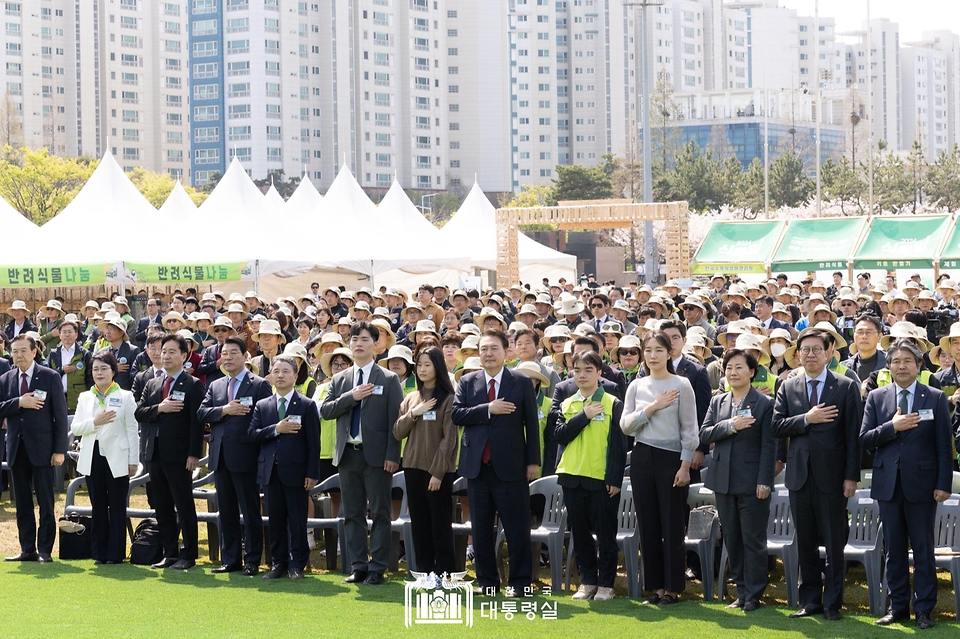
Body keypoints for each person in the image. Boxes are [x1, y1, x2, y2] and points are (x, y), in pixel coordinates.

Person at [859, 339, 954, 630]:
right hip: (888, 485)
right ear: (889, 366)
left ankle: (924, 609)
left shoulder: (935, 397)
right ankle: (897, 606)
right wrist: (892, 427)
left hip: (924, 486)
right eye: (896, 361)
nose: (902, 366)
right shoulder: (877, 397)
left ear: (918, 365)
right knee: (894, 549)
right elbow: (864, 439)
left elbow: (943, 446)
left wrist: (943, 484)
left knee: (924, 549)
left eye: (907, 361)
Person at [771, 329, 861, 621]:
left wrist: (851, 477)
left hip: (833, 478)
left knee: (835, 543)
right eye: (805, 350)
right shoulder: (788, 386)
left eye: (816, 350)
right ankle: (810, 601)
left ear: (829, 353)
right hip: (798, 477)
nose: (810, 354)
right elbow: (777, 426)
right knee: (805, 542)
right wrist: (806, 420)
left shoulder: (846, 386)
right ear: (797, 355)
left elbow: (853, 437)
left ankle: (833, 603)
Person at [452, 330, 540, 597]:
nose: (488, 353)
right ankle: (488, 583)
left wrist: (533, 462)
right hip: (477, 467)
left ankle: (520, 583)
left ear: (506, 351)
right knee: (480, 530)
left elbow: (531, 425)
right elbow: (457, 414)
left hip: (512, 467)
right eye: (483, 349)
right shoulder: (468, 382)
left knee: (516, 529)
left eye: (493, 348)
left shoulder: (521, 381)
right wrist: (487, 409)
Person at [320, 321, 403, 586]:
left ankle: (378, 567)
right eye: (354, 338)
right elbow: (327, 411)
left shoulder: (388, 379)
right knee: (352, 513)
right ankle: (358, 566)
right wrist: (351, 397)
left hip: (377, 457)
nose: (358, 343)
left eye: (365, 339)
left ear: (376, 344)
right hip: (347, 455)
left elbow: (396, 422)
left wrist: (393, 455)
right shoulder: (340, 379)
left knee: (380, 512)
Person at [620, 330, 699, 606]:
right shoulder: (636, 386)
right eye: (648, 350)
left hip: (672, 459)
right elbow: (626, 425)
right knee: (648, 524)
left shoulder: (682, 384)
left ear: (670, 353)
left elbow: (690, 430)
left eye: (659, 350)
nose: (653, 356)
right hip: (642, 457)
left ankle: (673, 588)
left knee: (672, 525)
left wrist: (685, 465)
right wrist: (652, 408)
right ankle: (655, 587)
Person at [699, 349, 776, 612]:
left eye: (739, 367)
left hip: (752, 482)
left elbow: (769, 447)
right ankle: (741, 591)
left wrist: (765, 481)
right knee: (731, 538)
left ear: (752, 372)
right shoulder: (717, 402)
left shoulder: (765, 404)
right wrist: (730, 425)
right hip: (723, 480)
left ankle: (754, 594)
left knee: (752, 539)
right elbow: (705, 433)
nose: (733, 372)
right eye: (729, 368)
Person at [197, 336, 273, 575]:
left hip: (246, 457)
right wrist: (224, 410)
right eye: (224, 353)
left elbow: (265, 420)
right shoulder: (216, 385)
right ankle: (230, 559)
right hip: (219, 457)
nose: (227, 357)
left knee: (250, 512)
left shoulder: (259, 384)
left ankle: (252, 561)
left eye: (233, 353)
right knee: (226, 511)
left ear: (244, 356)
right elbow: (202, 413)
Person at [555, 350, 627, 601]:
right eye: (577, 370)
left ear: (599, 372)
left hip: (601, 478)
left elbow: (619, 446)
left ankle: (606, 583)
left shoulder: (612, 403)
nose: (582, 375)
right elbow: (560, 435)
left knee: (606, 534)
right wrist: (583, 416)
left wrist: (614, 479)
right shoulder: (567, 403)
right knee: (580, 534)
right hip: (571, 475)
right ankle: (588, 582)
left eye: (588, 370)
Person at [134, 334, 205, 570]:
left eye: (172, 351)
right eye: (164, 351)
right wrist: (160, 408)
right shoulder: (152, 383)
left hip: (180, 455)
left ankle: (189, 554)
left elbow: (197, 423)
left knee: (184, 505)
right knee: (161, 507)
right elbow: (140, 412)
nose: (166, 355)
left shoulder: (193, 384)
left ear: (184, 357)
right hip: (154, 454)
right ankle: (169, 552)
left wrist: (194, 453)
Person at [248, 354, 320, 580]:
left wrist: (312, 473)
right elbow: (252, 434)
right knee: (276, 520)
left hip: (297, 473)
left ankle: (297, 564)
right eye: (276, 371)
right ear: (270, 376)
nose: (280, 375)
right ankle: (278, 563)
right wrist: (276, 429)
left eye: (285, 371)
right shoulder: (262, 405)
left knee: (297, 520)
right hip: (270, 472)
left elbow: (313, 443)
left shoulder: (307, 405)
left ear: (295, 376)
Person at [0, 334, 69, 563]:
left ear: (34, 351)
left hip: (44, 450)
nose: (18, 355)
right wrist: (19, 402)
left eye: (23, 350)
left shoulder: (49, 376)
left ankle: (45, 550)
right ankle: (27, 549)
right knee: (22, 504)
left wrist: (60, 450)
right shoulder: (6, 378)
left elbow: (60, 415)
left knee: (46, 503)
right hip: (17, 449)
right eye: (14, 351)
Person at [392, 347, 459, 577]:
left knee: (439, 524)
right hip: (412, 467)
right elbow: (398, 432)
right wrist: (415, 413)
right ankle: (424, 570)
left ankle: (444, 572)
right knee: (419, 523)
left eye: (427, 364)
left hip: (437, 471)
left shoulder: (449, 399)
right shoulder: (411, 398)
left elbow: (448, 440)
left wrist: (438, 473)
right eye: (419, 364)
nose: (422, 369)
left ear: (437, 367)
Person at [71, 350, 139, 564]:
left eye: (104, 368)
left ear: (113, 371)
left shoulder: (125, 396)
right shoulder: (85, 397)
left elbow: (132, 430)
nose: (99, 373)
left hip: (118, 456)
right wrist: (95, 422)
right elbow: (76, 427)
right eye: (95, 369)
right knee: (97, 505)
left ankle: (115, 553)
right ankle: (99, 553)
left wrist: (133, 460)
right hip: (92, 457)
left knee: (117, 506)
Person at [46, 319, 93, 414]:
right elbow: (47, 375)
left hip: (78, 399)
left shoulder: (84, 354)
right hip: (58, 398)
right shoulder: (53, 354)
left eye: (70, 332)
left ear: (76, 335)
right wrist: (62, 370)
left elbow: (90, 377)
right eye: (64, 332)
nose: (67, 335)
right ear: (59, 335)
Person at [99, 313, 140, 390]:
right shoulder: (102, 352)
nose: (107, 332)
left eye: (111, 329)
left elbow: (135, 376)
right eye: (107, 328)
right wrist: (113, 369)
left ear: (121, 332)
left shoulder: (132, 351)